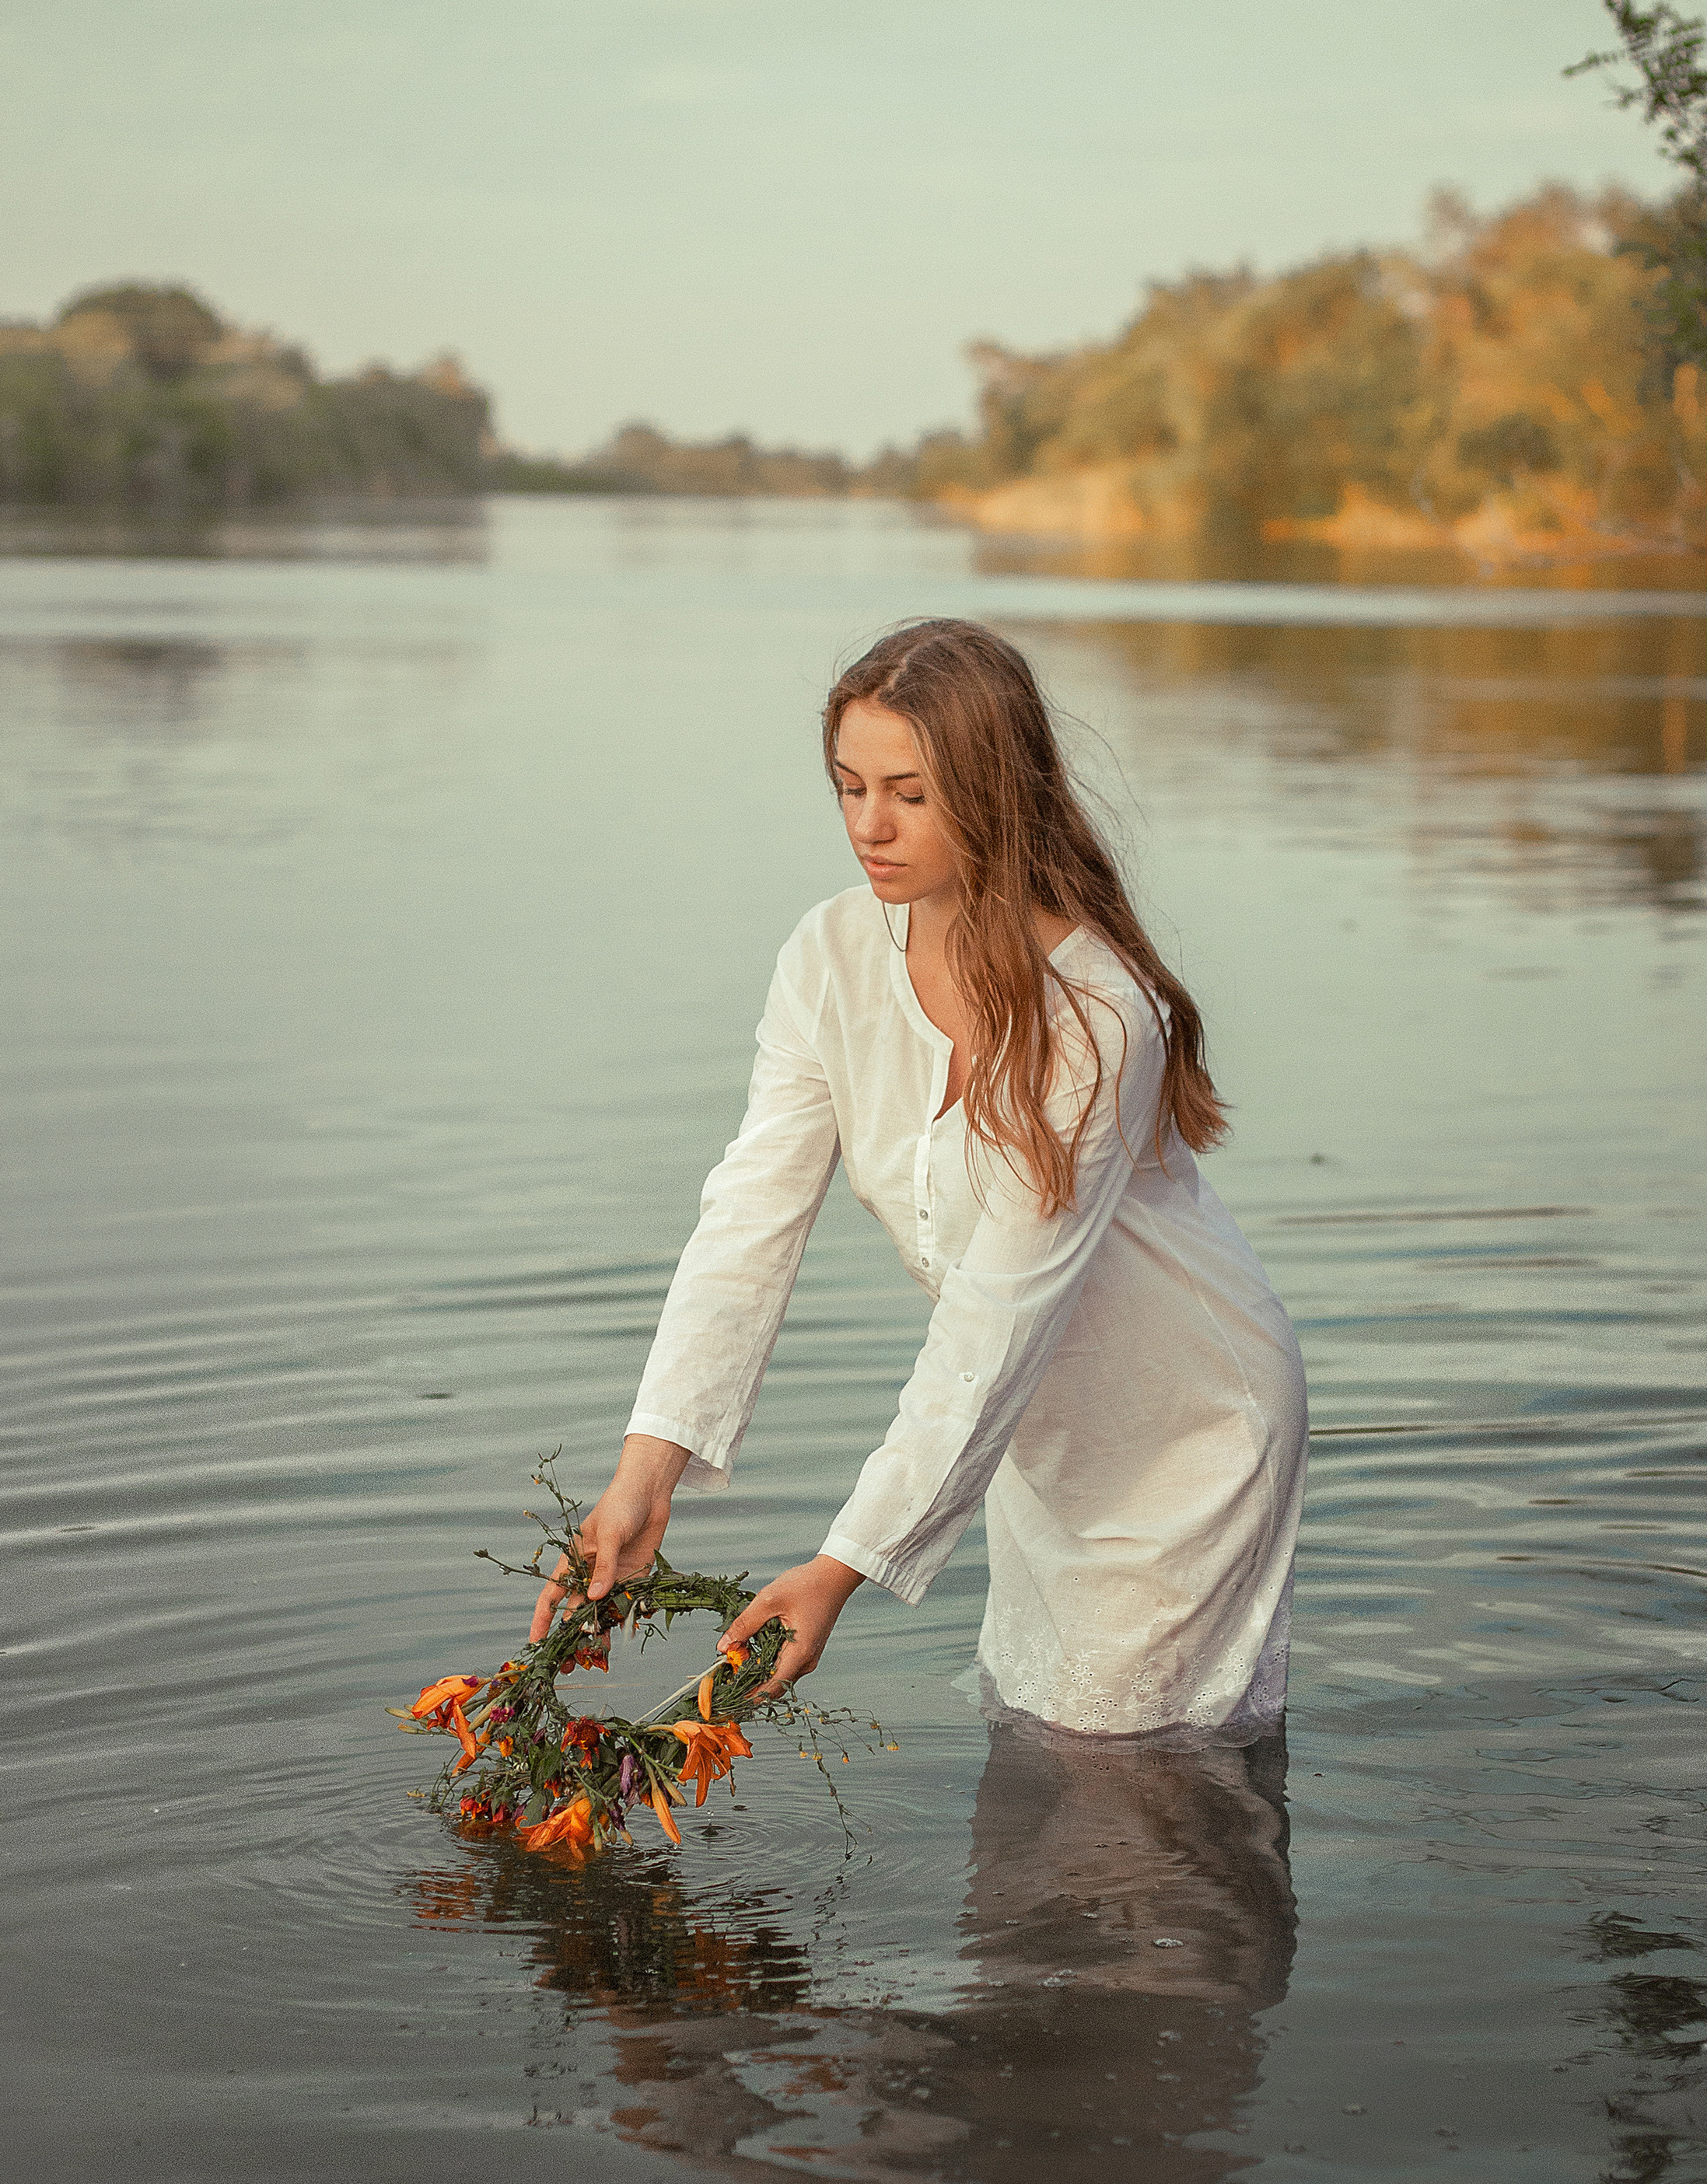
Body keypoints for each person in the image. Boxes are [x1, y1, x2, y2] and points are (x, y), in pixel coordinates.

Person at [531, 617, 1307, 1740]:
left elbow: (998, 1310)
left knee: (1129, 1778)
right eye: (849, 787)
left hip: (1186, 1429)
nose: (869, 826)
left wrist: (841, 1566)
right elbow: (748, 1221)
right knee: (1038, 1750)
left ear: (995, 793)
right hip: (1026, 1428)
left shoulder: (1097, 1012)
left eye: (910, 794)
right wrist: (645, 1472)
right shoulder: (830, 957)